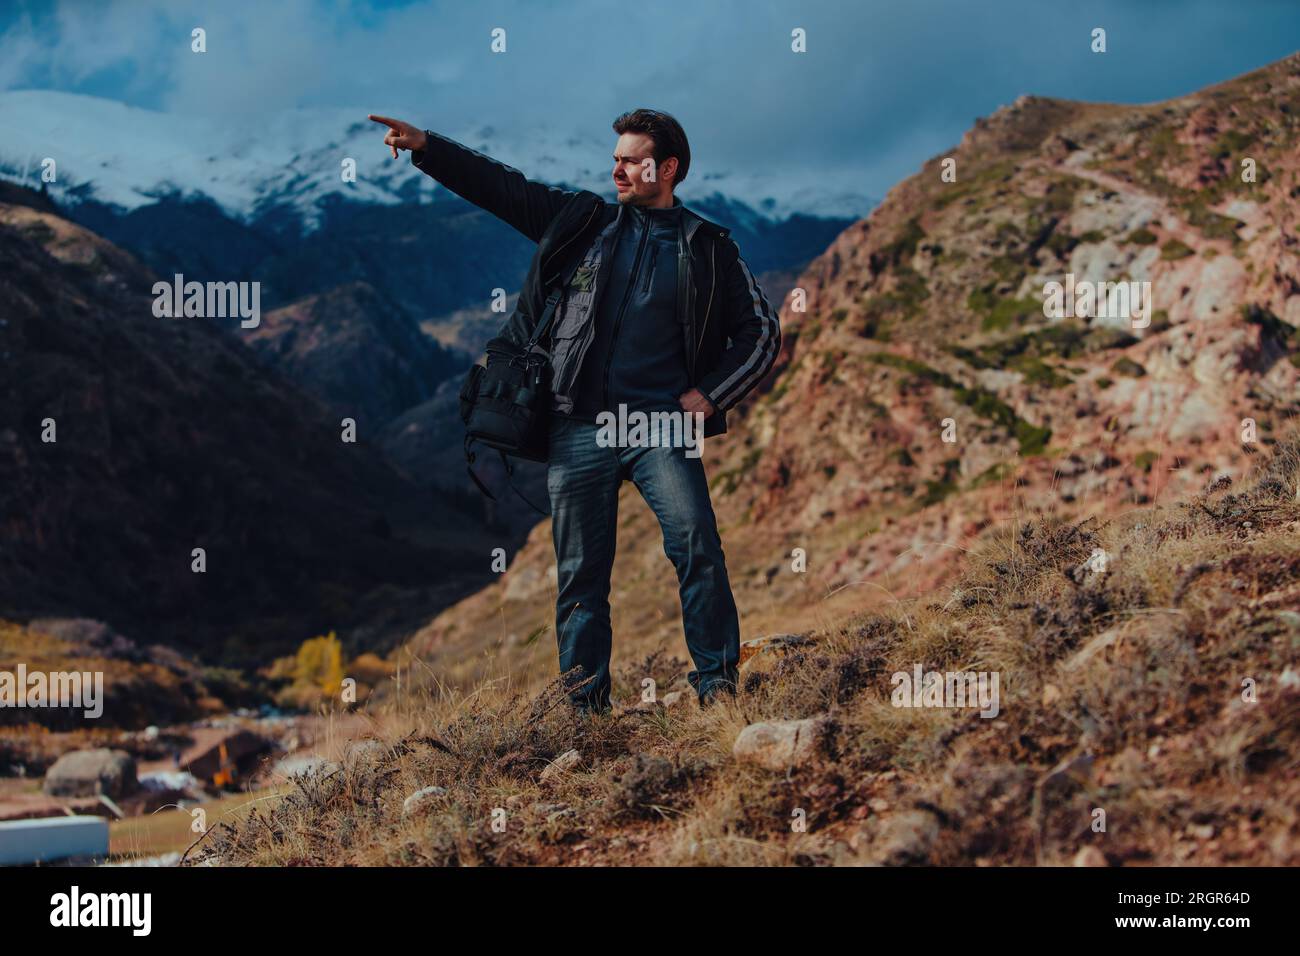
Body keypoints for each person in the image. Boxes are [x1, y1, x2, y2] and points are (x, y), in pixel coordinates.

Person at [369, 108, 780, 712]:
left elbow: (762, 333)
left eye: (630, 158)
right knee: (581, 574)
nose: (615, 166)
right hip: (577, 425)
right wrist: (429, 147)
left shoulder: (709, 246)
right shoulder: (581, 222)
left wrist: (709, 395)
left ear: (666, 169)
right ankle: (585, 712)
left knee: (696, 545)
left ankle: (718, 689)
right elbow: (503, 189)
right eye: (613, 156)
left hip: (659, 426)